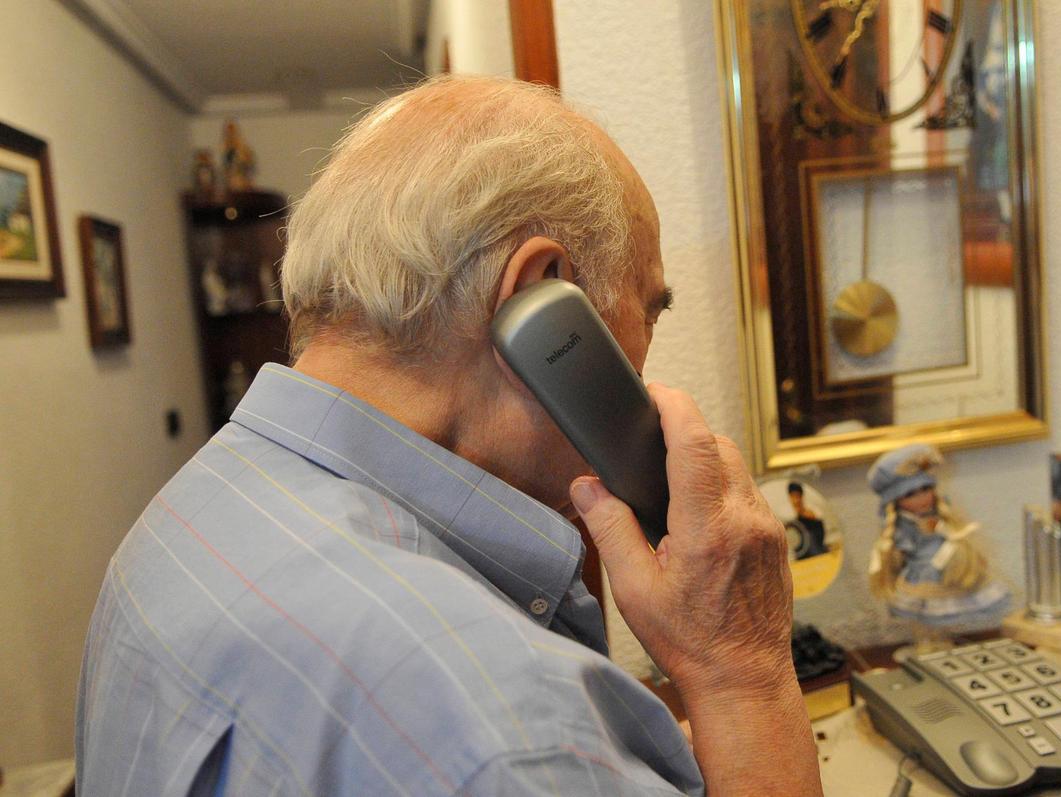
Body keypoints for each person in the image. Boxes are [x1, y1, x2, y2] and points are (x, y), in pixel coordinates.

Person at [76, 76, 822, 796]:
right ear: (542, 299)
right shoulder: (517, 734)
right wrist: (742, 672)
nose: (649, 346)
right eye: (650, 310)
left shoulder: (184, 519)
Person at [866, 443, 1010, 638]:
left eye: (926, 488)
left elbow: (956, 534)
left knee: (949, 609)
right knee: (925, 613)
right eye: (910, 494)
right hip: (924, 573)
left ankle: (943, 639)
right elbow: (902, 548)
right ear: (895, 500)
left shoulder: (942, 513)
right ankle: (927, 640)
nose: (922, 498)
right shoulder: (904, 526)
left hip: (953, 569)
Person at [785, 482, 827, 560]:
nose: (796, 500)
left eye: (797, 496)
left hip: (816, 551)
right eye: (793, 496)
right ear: (789, 497)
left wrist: (800, 512)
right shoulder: (788, 515)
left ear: (802, 496)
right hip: (801, 555)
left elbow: (816, 517)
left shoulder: (812, 511)